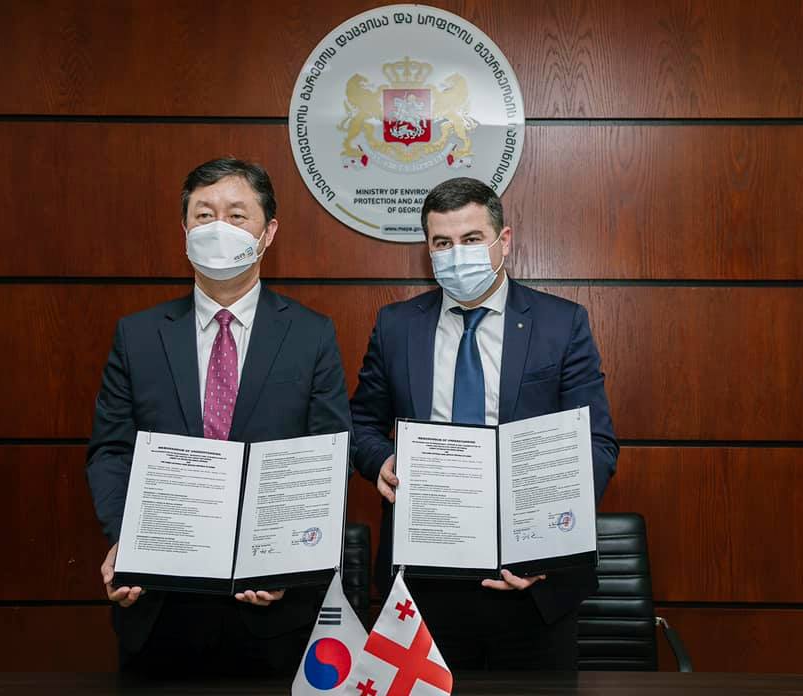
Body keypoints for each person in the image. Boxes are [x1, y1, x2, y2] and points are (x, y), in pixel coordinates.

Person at [86, 158, 352, 677]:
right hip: (160, 603)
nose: (219, 228)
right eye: (204, 215)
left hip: (272, 612)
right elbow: (111, 451)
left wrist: (285, 559)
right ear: (184, 231)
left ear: (268, 232)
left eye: (237, 215)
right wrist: (127, 539)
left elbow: (328, 455)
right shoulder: (138, 336)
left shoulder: (312, 335)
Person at [350, 176, 618, 670]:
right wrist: (379, 459)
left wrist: (550, 544)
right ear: (428, 250)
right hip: (423, 585)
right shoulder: (396, 326)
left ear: (504, 240)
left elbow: (596, 445)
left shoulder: (561, 324)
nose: (457, 254)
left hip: (532, 585)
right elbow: (361, 423)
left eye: (471, 239)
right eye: (442, 243)